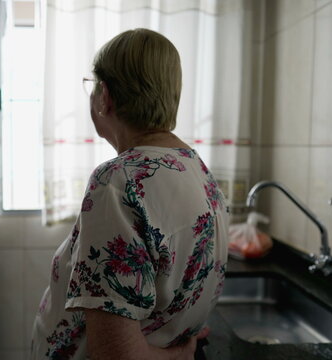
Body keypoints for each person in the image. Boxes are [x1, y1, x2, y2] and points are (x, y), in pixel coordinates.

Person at [31, 28, 229, 360]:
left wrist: (180, 356)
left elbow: (115, 355)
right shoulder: (197, 171)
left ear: (104, 96)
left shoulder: (118, 181)